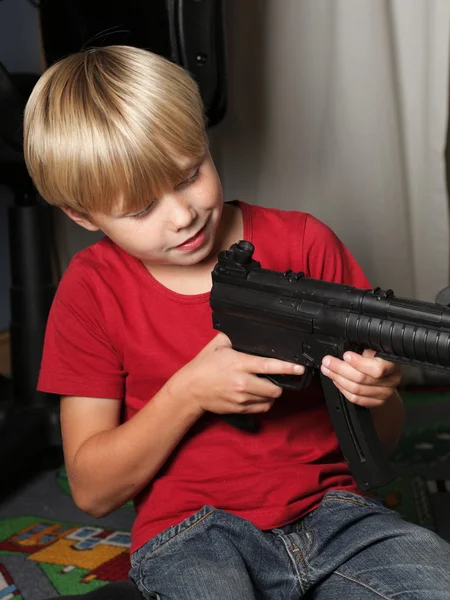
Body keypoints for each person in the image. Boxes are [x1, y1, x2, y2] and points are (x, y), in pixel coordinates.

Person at [24, 45, 450, 600]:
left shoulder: (303, 242)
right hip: (193, 535)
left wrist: (374, 395)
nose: (182, 217)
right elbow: (93, 490)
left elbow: (381, 440)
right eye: (140, 211)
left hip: (339, 516)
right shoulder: (91, 291)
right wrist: (187, 393)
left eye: (189, 174)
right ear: (82, 216)